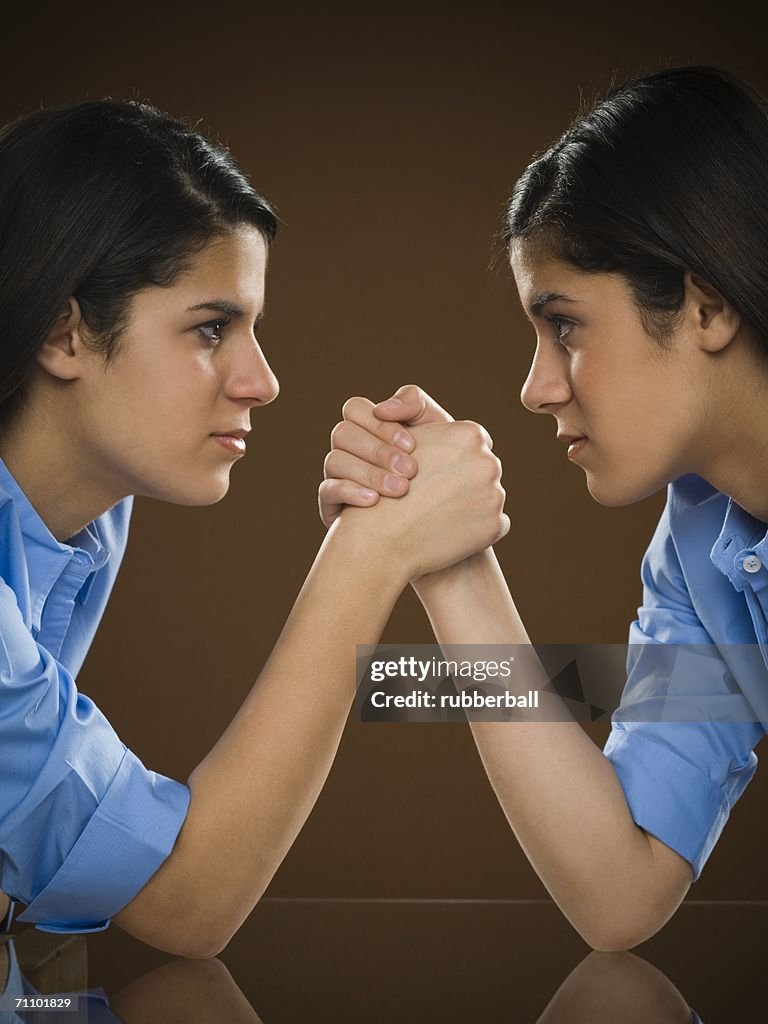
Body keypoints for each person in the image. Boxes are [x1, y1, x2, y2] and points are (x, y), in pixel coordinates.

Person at [0, 98, 508, 956]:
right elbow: (185, 899)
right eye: (210, 329)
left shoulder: (87, 519)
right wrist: (369, 555)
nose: (262, 381)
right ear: (63, 329)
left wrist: (440, 566)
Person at [322, 65, 768, 950]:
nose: (534, 387)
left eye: (564, 324)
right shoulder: (700, 550)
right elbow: (619, 892)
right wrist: (454, 569)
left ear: (704, 304)